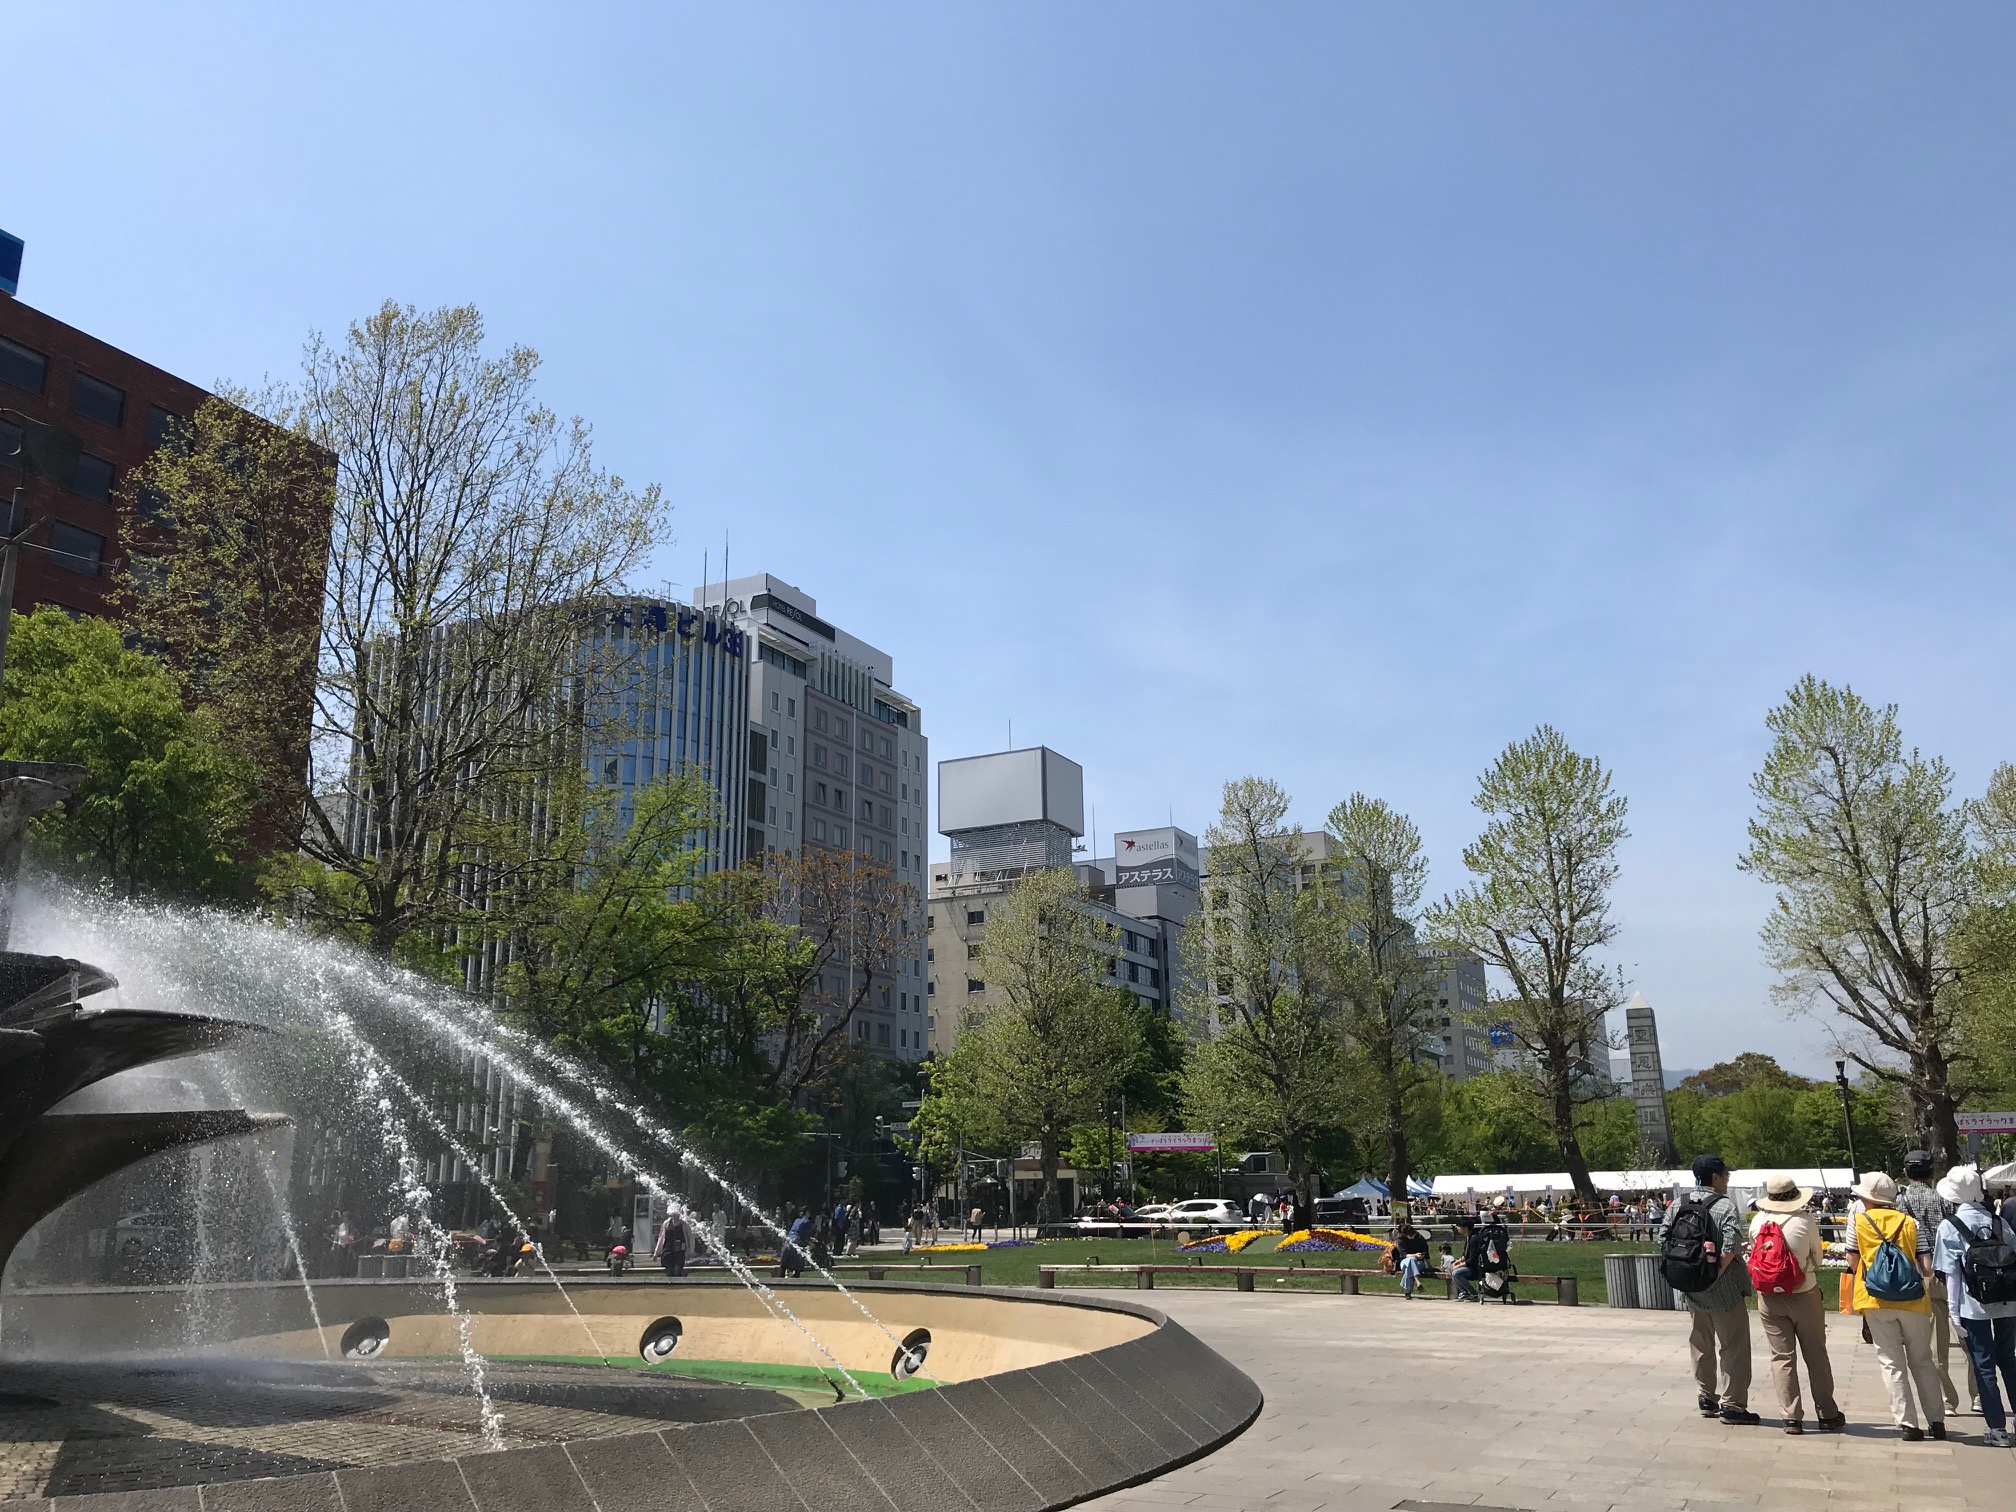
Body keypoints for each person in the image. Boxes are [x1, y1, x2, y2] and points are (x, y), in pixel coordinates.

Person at [1658, 1154, 1758, 1425]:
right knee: (1733, 1346)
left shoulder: (1679, 1203)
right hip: (1723, 1290)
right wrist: (1712, 1275)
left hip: (1691, 1287)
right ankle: (1733, 1405)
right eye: (1725, 1175)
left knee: (1700, 1342)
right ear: (1714, 1177)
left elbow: (1662, 1239)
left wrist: (1690, 1273)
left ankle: (1706, 1397)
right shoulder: (1725, 1206)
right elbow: (1730, 1247)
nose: (1727, 1179)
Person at [1851, 1171, 1944, 1441]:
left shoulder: (1859, 1222)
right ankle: (1936, 1421)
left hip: (1875, 1300)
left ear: (1868, 1198)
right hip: (1912, 1300)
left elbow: (1853, 1261)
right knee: (1922, 1360)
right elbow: (1926, 1267)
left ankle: (1908, 1424)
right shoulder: (1911, 1223)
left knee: (1891, 1362)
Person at [1748, 1173, 1844, 1434]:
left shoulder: (1758, 1222)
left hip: (1769, 1297)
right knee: (1815, 1354)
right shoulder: (1805, 1221)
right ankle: (1827, 1412)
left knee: (1782, 1357)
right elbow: (1818, 1259)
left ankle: (1791, 1416)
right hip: (1804, 1292)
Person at [1934, 1166, 2016, 1448]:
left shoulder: (1950, 1226)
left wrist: (1953, 1312)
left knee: (1983, 1364)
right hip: (2007, 1303)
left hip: (1973, 1306)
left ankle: (1997, 1428)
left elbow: (1951, 1275)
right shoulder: (1999, 1222)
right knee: (2009, 1360)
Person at [1898, 1150, 1971, 1417]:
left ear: (1906, 1172)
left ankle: (1948, 1400)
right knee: (1967, 1338)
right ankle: (1978, 1395)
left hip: (1921, 1274)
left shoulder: (1901, 1201)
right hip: (1952, 1272)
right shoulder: (1943, 1197)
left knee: (1935, 1345)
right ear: (1931, 1172)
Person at [1394, 1222, 1430, 1299]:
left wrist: (1428, 1264)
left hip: (1419, 1263)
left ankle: (1408, 1292)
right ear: (1405, 1235)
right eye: (1410, 1235)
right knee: (1411, 1259)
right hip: (1404, 1262)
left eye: (1413, 1234)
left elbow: (1426, 1252)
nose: (1412, 1236)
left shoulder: (1419, 1237)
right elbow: (1403, 1255)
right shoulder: (1400, 1240)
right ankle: (1417, 1280)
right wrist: (1415, 1255)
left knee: (1409, 1267)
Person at [653, 1209, 687, 1279]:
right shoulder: (666, 1223)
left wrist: (690, 1251)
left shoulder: (684, 1224)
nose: (674, 1217)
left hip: (679, 1253)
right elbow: (661, 1238)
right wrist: (656, 1253)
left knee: (677, 1271)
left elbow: (689, 1238)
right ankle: (670, 1284)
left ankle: (678, 1283)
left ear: (678, 1215)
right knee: (670, 1272)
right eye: (672, 1215)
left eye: (675, 1215)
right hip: (668, 1252)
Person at [782, 1206, 812, 1279]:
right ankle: (796, 1276)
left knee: (785, 1262)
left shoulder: (796, 1220)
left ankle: (782, 1275)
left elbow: (796, 1230)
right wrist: (808, 1242)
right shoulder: (807, 1221)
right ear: (807, 1213)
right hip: (797, 1241)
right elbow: (805, 1235)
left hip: (788, 1240)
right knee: (798, 1262)